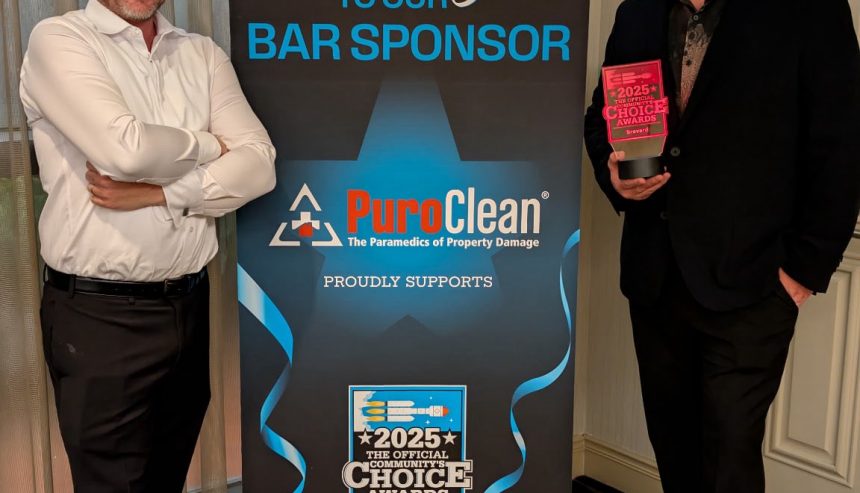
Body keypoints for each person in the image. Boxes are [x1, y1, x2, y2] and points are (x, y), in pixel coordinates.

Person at [584, 0, 860, 492]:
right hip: (655, 279)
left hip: (754, 286)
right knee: (675, 454)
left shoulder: (812, 11)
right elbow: (600, 117)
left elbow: (842, 142)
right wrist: (615, 175)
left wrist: (803, 272)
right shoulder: (636, 12)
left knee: (728, 466)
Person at [19, 0, 276, 490]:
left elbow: (260, 164)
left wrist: (161, 194)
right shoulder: (61, 39)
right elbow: (127, 152)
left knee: (166, 479)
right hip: (99, 317)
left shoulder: (201, 53)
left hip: (189, 305)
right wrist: (211, 145)